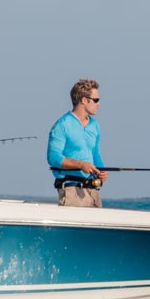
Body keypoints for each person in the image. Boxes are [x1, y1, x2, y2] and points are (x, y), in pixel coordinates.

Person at [46, 78, 106, 206]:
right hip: (71, 190)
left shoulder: (95, 125)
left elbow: (95, 154)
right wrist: (81, 165)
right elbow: (53, 158)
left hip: (93, 191)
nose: (98, 103)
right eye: (96, 100)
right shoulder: (62, 125)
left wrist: (101, 171)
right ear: (84, 100)